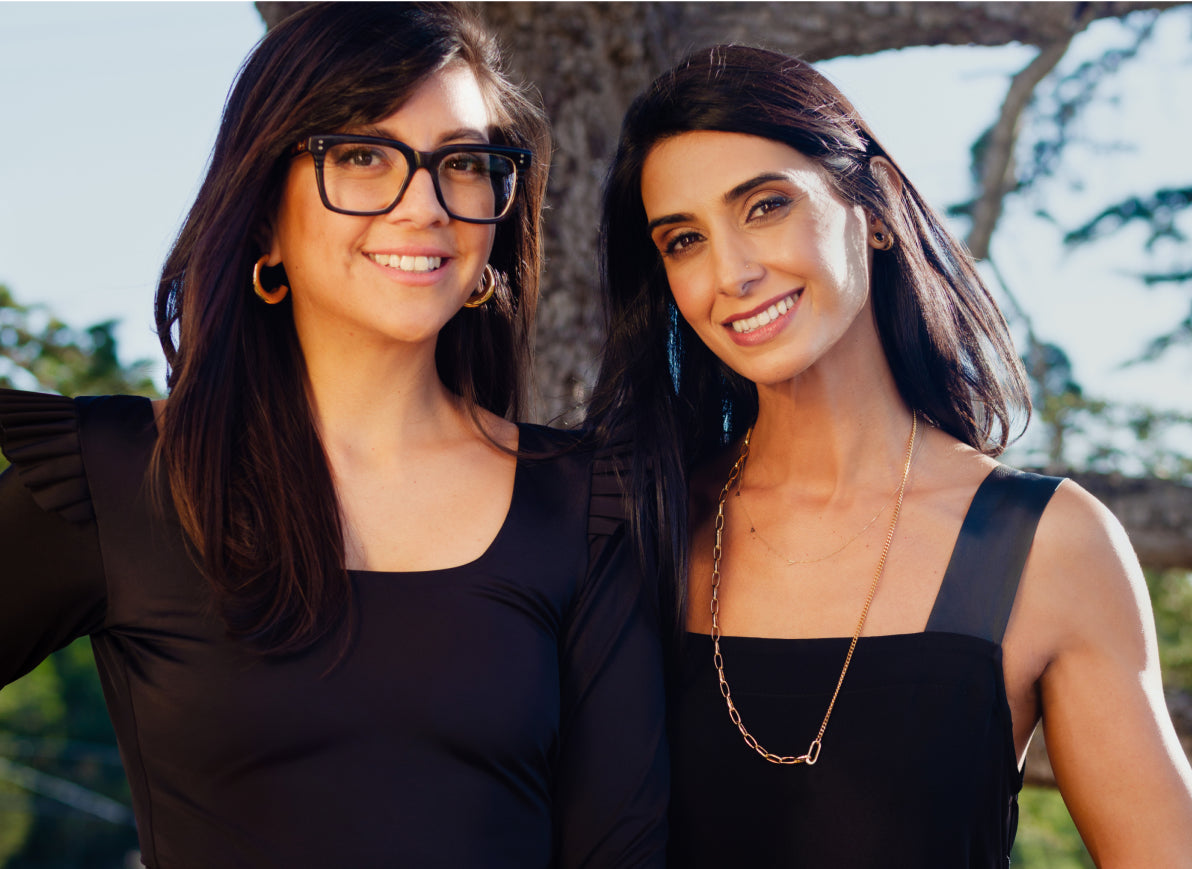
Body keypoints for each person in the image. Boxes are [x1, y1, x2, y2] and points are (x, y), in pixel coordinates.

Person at [0, 4, 667, 867]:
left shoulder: (582, 504)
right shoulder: (124, 480)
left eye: (462, 163)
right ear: (262, 214)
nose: (425, 205)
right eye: (360, 155)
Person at [587, 44, 1192, 867]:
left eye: (765, 205)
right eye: (684, 240)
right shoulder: (640, 521)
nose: (732, 272)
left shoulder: (1047, 547)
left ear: (876, 207)